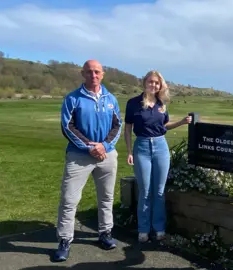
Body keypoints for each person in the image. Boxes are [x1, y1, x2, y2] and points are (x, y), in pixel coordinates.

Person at [55, 60, 122, 262]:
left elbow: (117, 125)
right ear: (83, 74)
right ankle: (65, 240)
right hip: (79, 155)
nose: (93, 75)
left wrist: (105, 146)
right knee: (69, 199)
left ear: (102, 74)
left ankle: (105, 233)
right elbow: (68, 127)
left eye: (97, 72)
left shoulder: (111, 99)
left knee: (106, 197)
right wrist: (90, 147)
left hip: (107, 155)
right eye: (89, 72)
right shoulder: (73, 98)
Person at [124, 70, 191, 243]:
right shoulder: (133, 103)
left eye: (157, 83)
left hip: (161, 146)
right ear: (144, 82)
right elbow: (128, 129)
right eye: (151, 81)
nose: (153, 85)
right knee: (145, 191)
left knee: (159, 191)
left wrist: (182, 122)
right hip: (142, 147)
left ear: (160, 85)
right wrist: (130, 151)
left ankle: (159, 228)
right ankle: (143, 229)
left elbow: (164, 125)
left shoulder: (161, 104)